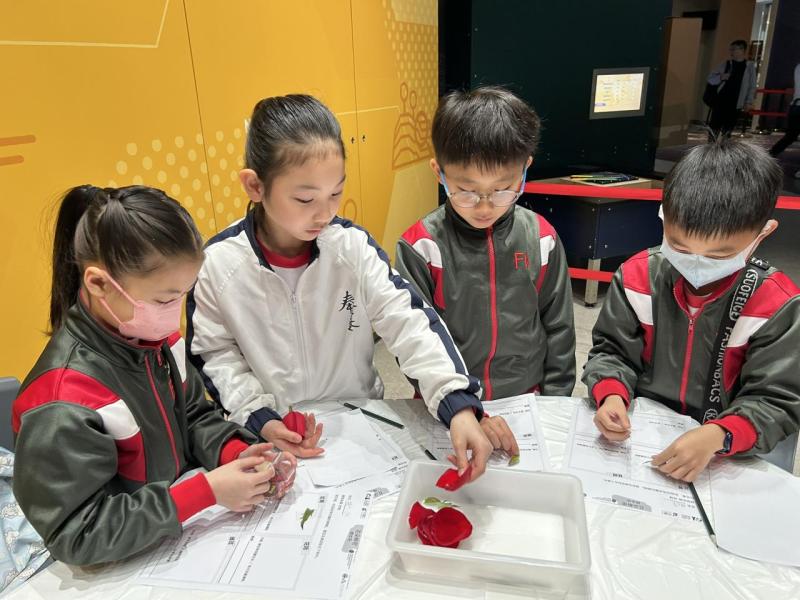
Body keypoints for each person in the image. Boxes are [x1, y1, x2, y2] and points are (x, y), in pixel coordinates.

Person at [187, 95, 494, 481]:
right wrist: (259, 416)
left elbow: (407, 320)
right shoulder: (218, 266)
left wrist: (456, 402)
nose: (325, 213)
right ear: (255, 185)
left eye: (335, 193)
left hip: (360, 424)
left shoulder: (350, 248)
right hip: (276, 435)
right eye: (305, 198)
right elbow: (216, 355)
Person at [12, 185, 295, 566]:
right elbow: (77, 533)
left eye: (183, 294)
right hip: (119, 567)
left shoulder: (156, 341)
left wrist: (235, 453)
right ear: (99, 284)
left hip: (174, 540)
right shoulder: (62, 399)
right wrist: (204, 492)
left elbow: (194, 416)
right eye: (164, 300)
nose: (175, 314)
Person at [583, 138, 800, 482]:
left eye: (719, 255)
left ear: (763, 233)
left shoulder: (776, 304)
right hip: (648, 433)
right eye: (680, 246)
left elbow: (778, 400)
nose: (696, 264)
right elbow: (612, 352)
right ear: (663, 217)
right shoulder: (639, 277)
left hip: (731, 452)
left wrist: (719, 435)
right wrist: (611, 394)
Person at [395, 86, 575, 456]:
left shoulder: (541, 238)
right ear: (439, 172)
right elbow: (413, 343)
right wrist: (457, 405)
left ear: (525, 168)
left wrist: (556, 404)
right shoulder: (421, 247)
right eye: (466, 190)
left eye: (503, 189)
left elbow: (558, 326)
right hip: (448, 407)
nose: (484, 206)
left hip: (527, 401)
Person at [707, 40, 757, 138]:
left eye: (734, 49)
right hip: (721, 99)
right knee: (714, 127)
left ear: (742, 50)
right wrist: (721, 77)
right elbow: (710, 78)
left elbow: (752, 86)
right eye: (731, 49)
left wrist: (749, 102)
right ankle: (712, 146)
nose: (731, 52)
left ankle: (724, 146)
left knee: (728, 128)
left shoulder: (749, 66)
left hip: (737, 102)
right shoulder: (726, 64)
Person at [768, 61, 800, 179]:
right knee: (790, 136)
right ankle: (769, 156)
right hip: (797, 106)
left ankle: (769, 156)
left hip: (795, 106)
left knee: (790, 137)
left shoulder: (798, 66)